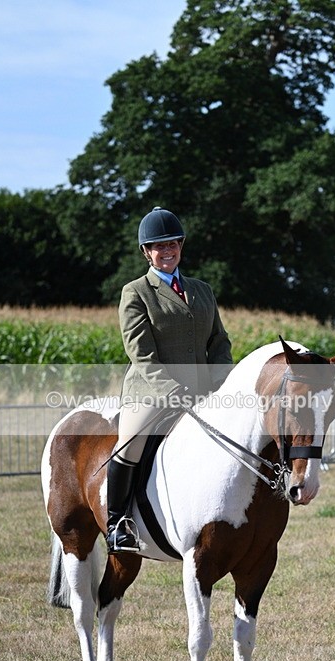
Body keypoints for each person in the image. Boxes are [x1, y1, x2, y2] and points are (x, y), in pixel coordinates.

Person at [106, 206, 233, 552]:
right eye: (159, 246)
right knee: (130, 443)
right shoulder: (136, 292)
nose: (167, 251)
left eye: (172, 244)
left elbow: (219, 342)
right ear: (146, 252)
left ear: (181, 246)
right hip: (151, 392)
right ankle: (117, 524)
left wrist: (220, 382)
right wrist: (172, 391)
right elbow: (141, 354)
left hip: (203, 392)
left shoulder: (202, 290)